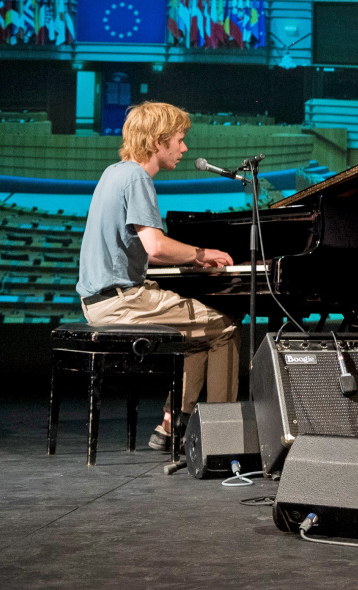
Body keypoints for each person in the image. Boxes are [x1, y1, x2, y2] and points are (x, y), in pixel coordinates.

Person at [76, 102, 238, 450]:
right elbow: (156, 247)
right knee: (223, 327)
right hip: (122, 302)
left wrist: (188, 263)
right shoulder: (137, 178)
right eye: (179, 140)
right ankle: (223, 440)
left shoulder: (113, 172)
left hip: (99, 301)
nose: (184, 148)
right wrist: (200, 253)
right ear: (157, 141)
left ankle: (169, 426)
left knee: (196, 334)